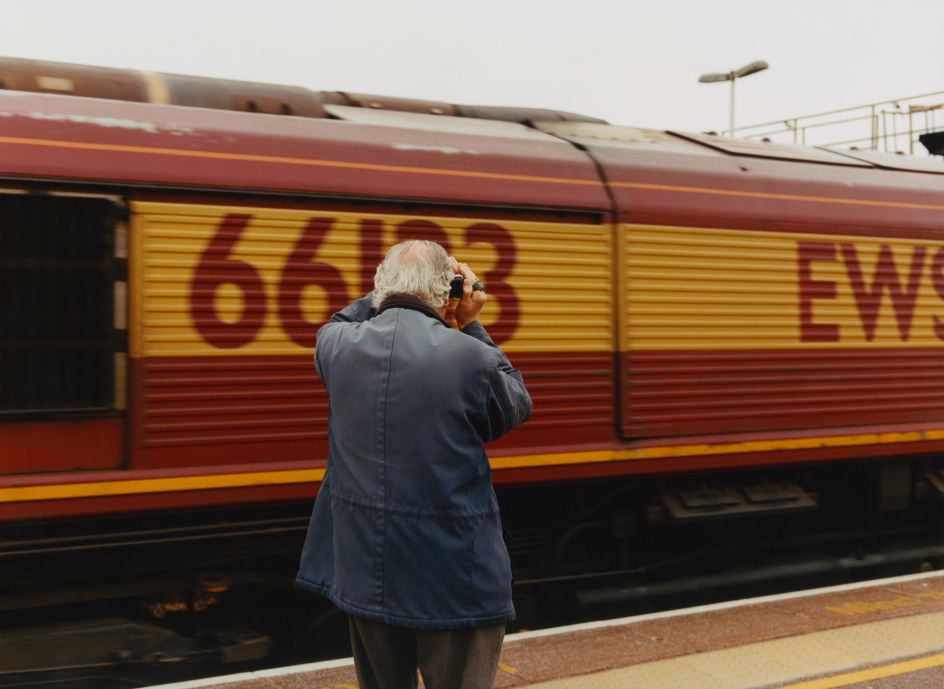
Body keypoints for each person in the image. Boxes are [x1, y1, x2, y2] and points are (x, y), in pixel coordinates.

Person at [296, 239, 533, 689]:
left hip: (366, 572)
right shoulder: (471, 356)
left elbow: (345, 316)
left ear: (379, 286)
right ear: (448, 291)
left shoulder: (335, 345)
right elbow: (512, 407)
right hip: (452, 578)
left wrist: (389, 291)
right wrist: (471, 321)